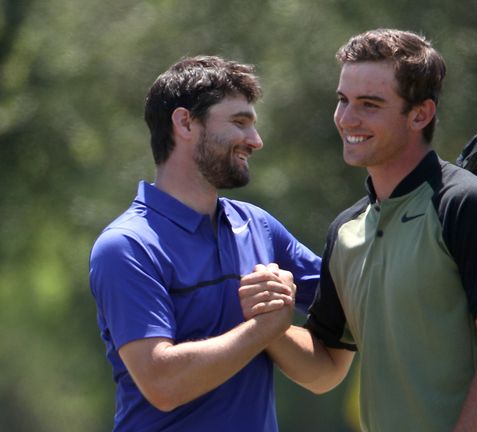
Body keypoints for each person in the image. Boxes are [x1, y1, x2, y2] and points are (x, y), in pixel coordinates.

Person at [255, 29, 477, 431]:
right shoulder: (346, 230)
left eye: (369, 105)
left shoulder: (468, 206)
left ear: (420, 114)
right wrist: (268, 326)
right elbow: (327, 368)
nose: (347, 119)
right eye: (343, 100)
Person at [89, 56, 321, 431]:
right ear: (185, 123)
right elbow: (162, 383)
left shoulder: (258, 226)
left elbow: (351, 299)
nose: (255, 141)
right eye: (239, 122)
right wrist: (263, 328)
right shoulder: (127, 246)